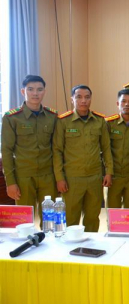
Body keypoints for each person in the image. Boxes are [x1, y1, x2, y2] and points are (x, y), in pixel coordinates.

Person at [53, 85, 113, 232]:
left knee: (92, 217)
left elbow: (106, 148)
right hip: (72, 178)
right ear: (72, 99)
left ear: (91, 99)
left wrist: (109, 172)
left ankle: (90, 247)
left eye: (87, 97)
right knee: (71, 217)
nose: (83, 100)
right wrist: (59, 178)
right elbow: (57, 151)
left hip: (94, 177)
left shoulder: (99, 121)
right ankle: (70, 249)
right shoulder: (63, 121)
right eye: (79, 97)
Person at [2, 75, 58, 223]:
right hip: (23, 177)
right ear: (23, 91)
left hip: (48, 176)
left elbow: (57, 149)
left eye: (39, 90)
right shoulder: (11, 118)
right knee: (24, 221)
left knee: (49, 220)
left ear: (44, 92)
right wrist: (11, 182)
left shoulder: (52, 116)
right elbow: (6, 151)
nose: (35, 93)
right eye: (30, 89)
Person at [105, 89, 129, 209]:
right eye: (123, 101)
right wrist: (107, 173)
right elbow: (105, 149)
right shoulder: (109, 123)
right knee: (112, 214)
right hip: (113, 175)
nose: (127, 104)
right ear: (118, 104)